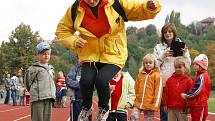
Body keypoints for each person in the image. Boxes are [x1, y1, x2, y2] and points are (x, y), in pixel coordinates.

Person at [55, 0, 161, 120]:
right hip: (90, 54)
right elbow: (62, 31)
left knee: (101, 81)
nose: (91, 1)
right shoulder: (75, 9)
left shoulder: (115, 4)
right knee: (85, 81)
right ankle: (86, 108)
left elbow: (136, 9)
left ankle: (104, 109)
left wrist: (149, 7)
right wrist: (74, 40)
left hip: (113, 55)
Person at [153, 23, 191, 121]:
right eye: (165, 32)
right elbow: (153, 66)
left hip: (179, 83)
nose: (167, 34)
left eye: (170, 31)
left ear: (174, 33)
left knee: (180, 113)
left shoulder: (181, 45)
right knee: (164, 112)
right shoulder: (158, 47)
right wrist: (163, 56)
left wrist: (185, 54)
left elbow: (188, 64)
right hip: (164, 83)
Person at [24, 42, 56, 121]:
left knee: (47, 119)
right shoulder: (33, 68)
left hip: (49, 97)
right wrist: (34, 91)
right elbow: (27, 83)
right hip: (38, 99)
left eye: (48, 54)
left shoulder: (51, 68)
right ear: (38, 55)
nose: (46, 55)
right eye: (43, 54)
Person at [130, 54, 163, 121]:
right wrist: (133, 100)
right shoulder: (140, 75)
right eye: (146, 63)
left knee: (149, 119)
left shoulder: (157, 76)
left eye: (150, 63)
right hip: (138, 102)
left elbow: (158, 92)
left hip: (150, 104)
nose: (148, 64)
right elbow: (135, 88)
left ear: (154, 64)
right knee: (133, 116)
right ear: (143, 64)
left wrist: (155, 105)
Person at [181, 54, 211, 121]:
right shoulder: (199, 76)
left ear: (202, 66)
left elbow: (197, 90)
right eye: (194, 64)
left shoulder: (202, 76)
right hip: (196, 104)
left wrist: (187, 95)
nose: (194, 66)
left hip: (199, 105)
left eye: (197, 64)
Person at [163, 57, 193, 121]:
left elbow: (190, 94)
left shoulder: (188, 80)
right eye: (176, 67)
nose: (177, 69)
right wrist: (165, 104)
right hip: (171, 107)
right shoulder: (169, 80)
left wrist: (188, 106)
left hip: (182, 108)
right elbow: (166, 93)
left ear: (184, 67)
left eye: (179, 67)